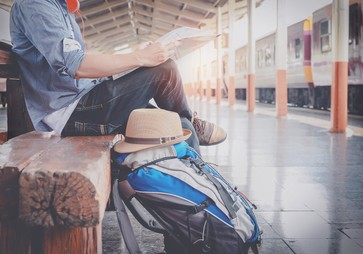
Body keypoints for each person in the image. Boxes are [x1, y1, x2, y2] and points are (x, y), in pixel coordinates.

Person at [9, 0, 227, 154]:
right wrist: (139, 57)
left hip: (87, 101)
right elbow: (77, 65)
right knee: (165, 70)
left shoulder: (61, 10)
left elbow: (84, 67)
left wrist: (137, 57)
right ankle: (192, 123)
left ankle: (201, 197)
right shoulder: (35, 5)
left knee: (178, 126)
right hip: (72, 112)